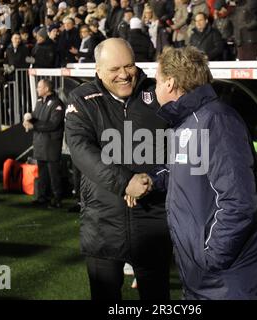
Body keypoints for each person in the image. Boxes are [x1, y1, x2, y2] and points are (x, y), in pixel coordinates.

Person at [126, 46, 257, 300]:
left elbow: (239, 203)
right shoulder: (188, 122)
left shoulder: (217, 120)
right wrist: (154, 179)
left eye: (158, 81)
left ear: (170, 83)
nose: (155, 88)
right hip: (205, 281)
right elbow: (187, 173)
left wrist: (209, 257)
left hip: (228, 283)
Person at [64, 38, 172, 300]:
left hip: (153, 222)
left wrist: (152, 181)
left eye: (129, 66)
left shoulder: (157, 93)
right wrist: (126, 182)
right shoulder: (82, 99)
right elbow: (81, 150)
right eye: (114, 69)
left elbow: (178, 148)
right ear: (98, 70)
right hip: (102, 223)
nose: (124, 75)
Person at [23, 79, 65, 209]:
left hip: (51, 145)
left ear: (47, 89)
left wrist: (33, 125)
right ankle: (42, 197)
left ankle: (57, 199)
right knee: (42, 173)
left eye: (39, 87)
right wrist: (29, 119)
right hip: (40, 144)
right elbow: (36, 119)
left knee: (54, 174)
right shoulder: (40, 102)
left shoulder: (57, 104)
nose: (37, 89)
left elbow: (53, 124)